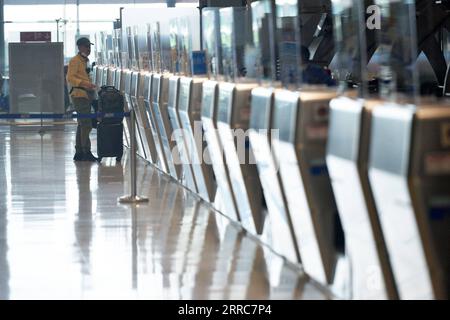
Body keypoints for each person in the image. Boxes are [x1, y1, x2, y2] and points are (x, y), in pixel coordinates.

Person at [67, 37, 98, 162]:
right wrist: (85, 84)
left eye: (89, 46)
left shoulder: (85, 61)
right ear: (79, 47)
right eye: (86, 46)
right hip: (80, 95)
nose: (89, 49)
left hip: (86, 95)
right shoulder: (75, 61)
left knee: (81, 124)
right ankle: (86, 151)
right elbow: (71, 77)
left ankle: (79, 151)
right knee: (86, 124)